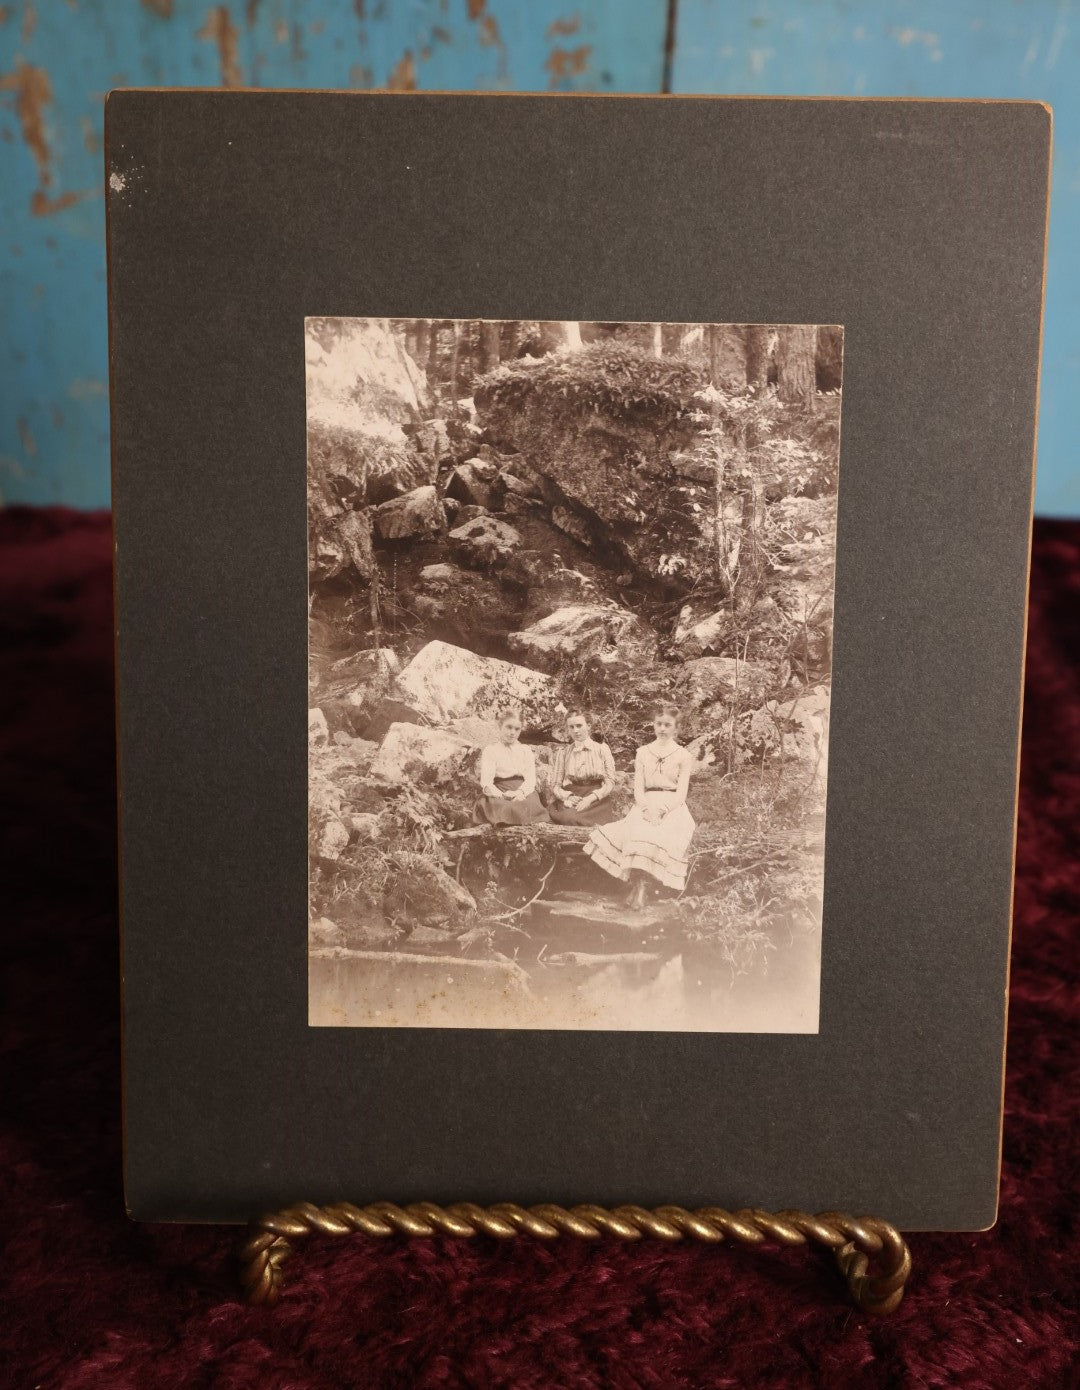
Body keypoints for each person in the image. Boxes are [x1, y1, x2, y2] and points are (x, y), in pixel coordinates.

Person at [584, 702, 695, 908]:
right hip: (645, 803)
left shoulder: (683, 756)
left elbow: (681, 793)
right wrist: (645, 808)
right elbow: (638, 789)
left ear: (676, 728)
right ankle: (637, 887)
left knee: (661, 834)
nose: (662, 728)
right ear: (653, 725)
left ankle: (642, 889)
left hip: (673, 806)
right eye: (659, 723)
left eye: (667, 725)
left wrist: (663, 811)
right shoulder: (643, 752)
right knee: (635, 830)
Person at [474, 709, 551, 826]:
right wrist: (501, 795)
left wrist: (520, 792)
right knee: (501, 807)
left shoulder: (525, 750)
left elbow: (530, 780)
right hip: (499, 790)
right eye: (508, 727)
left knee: (528, 804)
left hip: (523, 790)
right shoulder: (491, 750)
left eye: (517, 729)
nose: (512, 732)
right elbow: (486, 782)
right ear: (500, 726)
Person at [548, 710, 617, 826]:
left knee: (577, 819)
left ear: (588, 726)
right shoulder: (564, 753)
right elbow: (555, 785)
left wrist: (591, 798)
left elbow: (610, 782)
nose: (575, 730)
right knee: (566, 817)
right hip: (573, 795)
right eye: (571, 727)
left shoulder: (602, 749)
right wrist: (568, 796)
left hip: (596, 798)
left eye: (579, 726)